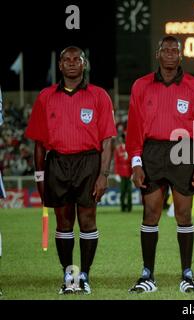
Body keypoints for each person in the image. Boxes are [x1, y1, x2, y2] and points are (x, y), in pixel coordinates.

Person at [25, 46, 117, 294]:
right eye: (67, 59)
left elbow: (108, 140)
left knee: (87, 220)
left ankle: (84, 276)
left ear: (84, 64)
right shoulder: (46, 96)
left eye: (77, 59)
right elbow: (38, 144)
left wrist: (103, 174)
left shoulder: (99, 96)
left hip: (89, 163)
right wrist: (40, 176)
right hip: (58, 163)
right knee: (63, 222)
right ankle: (70, 277)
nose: (72, 63)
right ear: (60, 66)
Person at [126, 36, 194, 293]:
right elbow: (134, 128)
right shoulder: (141, 86)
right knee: (151, 213)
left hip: (183, 150)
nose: (171, 54)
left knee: (183, 214)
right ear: (158, 54)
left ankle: (187, 273)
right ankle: (147, 273)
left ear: (181, 56)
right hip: (151, 151)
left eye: (175, 50)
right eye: (166, 50)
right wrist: (136, 161)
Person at [114, 133, 133, 212]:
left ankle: (129, 207)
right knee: (122, 192)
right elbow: (116, 162)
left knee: (129, 191)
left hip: (129, 173)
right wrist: (116, 173)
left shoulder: (130, 149)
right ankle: (122, 207)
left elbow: (132, 161)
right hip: (122, 173)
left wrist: (133, 173)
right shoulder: (118, 149)